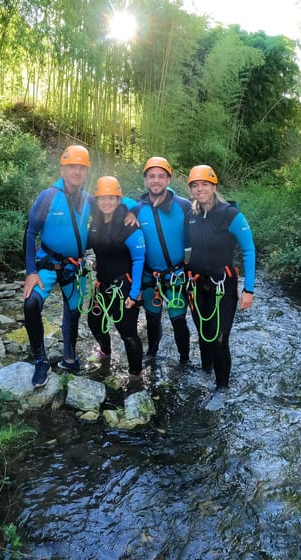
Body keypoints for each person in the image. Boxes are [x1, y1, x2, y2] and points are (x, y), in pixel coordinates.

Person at [23, 144, 93, 388]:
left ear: (86, 172)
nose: (76, 172)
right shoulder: (48, 196)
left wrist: (131, 211)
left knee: (73, 313)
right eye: (71, 167)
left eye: (81, 168)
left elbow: (113, 205)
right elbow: (30, 232)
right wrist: (31, 272)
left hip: (75, 268)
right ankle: (40, 360)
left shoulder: (87, 199)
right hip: (47, 264)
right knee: (31, 304)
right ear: (63, 170)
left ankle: (70, 358)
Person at [184, 164, 255, 396]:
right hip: (196, 285)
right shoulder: (191, 216)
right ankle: (206, 371)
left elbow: (249, 250)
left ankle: (222, 388)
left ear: (213, 186)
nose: (200, 189)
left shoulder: (230, 214)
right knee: (203, 333)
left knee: (220, 338)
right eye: (195, 185)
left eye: (204, 184)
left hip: (223, 286)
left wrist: (249, 289)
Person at [85, 176, 146, 380]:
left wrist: (135, 292)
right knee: (94, 321)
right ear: (97, 200)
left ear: (119, 200)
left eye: (111, 198)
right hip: (102, 285)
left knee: (127, 332)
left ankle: (136, 374)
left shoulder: (129, 225)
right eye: (103, 198)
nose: (107, 202)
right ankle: (105, 352)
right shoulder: (96, 223)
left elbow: (139, 260)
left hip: (124, 287)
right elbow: (82, 244)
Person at [133, 156, 192, 366]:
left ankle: (185, 359)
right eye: (151, 176)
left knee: (179, 322)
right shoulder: (137, 209)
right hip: (151, 275)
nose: (156, 180)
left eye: (161, 176)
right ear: (145, 180)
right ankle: (153, 352)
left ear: (168, 180)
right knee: (152, 318)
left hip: (175, 275)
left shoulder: (184, 206)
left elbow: (201, 233)